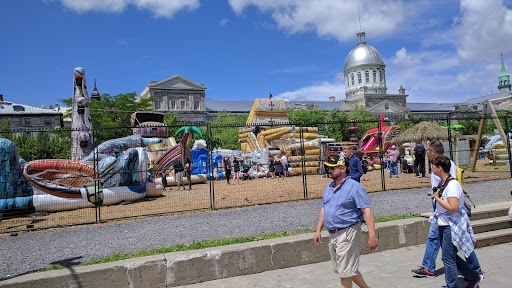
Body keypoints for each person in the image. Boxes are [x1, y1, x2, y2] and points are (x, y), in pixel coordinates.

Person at [412, 141, 483, 278]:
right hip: (439, 207)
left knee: (460, 241)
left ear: (433, 151)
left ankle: (475, 269)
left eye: (427, 151)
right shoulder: (436, 165)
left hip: (447, 209)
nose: (426, 153)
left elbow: (451, 188)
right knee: (434, 238)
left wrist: (438, 198)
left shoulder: (445, 165)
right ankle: (428, 267)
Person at [314, 155, 378, 288]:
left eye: (332, 168)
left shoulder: (355, 187)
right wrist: (318, 230)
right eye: (328, 167)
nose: (329, 170)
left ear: (343, 169)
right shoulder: (329, 187)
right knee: (348, 270)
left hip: (348, 233)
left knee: (345, 275)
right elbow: (324, 209)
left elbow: (367, 210)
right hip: (333, 234)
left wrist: (372, 235)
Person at [430, 156, 483, 288]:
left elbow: (453, 208)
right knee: (451, 256)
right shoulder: (444, 183)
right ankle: (473, 276)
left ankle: (452, 286)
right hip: (443, 224)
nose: (432, 169)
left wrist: (436, 197)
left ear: (439, 168)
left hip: (451, 226)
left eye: (433, 167)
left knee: (448, 259)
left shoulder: (452, 184)